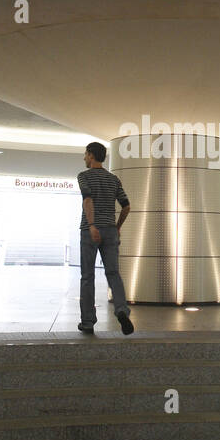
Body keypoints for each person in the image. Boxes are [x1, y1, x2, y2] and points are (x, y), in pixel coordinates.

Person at [77, 142, 134, 335]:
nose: (84, 158)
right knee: (113, 273)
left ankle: (88, 321)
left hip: (90, 230)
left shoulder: (84, 176)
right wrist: (117, 227)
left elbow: (87, 199)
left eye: (85, 154)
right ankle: (121, 311)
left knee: (87, 276)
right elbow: (126, 206)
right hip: (110, 230)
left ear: (91, 155)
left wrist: (92, 225)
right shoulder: (113, 179)